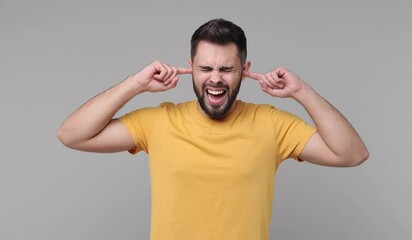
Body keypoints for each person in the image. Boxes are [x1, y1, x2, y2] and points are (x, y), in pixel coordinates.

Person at [57, 18, 369, 240]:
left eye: (226, 69)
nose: (215, 78)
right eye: (205, 68)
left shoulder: (272, 124)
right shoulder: (158, 122)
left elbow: (352, 154)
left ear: (244, 71)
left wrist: (302, 91)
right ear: (190, 67)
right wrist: (134, 85)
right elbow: (71, 135)